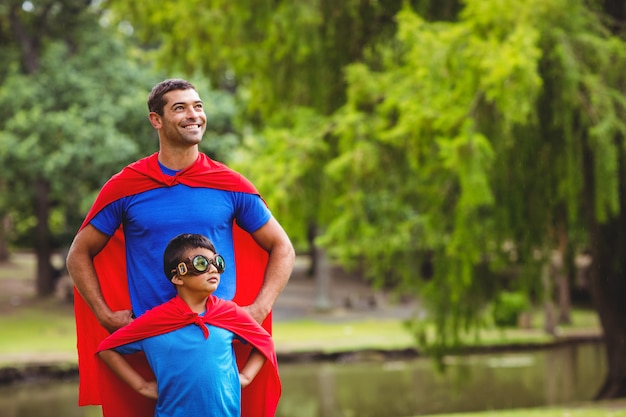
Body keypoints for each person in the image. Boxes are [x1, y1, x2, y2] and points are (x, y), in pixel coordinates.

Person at [66, 78, 295, 417]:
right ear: (155, 120)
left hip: (215, 340)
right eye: (180, 108)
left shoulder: (230, 185)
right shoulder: (126, 187)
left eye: (198, 106)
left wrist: (259, 309)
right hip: (150, 341)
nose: (194, 115)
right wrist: (104, 314)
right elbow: (78, 254)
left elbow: (283, 247)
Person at [97, 233, 281, 417]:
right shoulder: (154, 321)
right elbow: (107, 349)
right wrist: (142, 386)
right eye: (202, 263)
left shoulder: (229, 313)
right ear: (178, 277)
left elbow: (265, 341)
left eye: (217, 263)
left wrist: (245, 378)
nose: (213, 269)